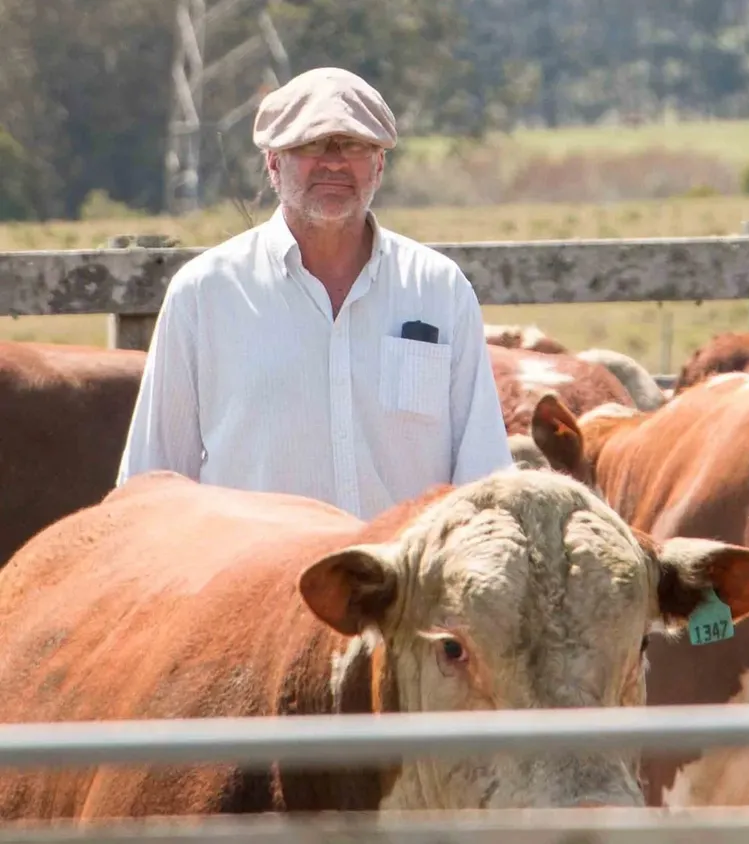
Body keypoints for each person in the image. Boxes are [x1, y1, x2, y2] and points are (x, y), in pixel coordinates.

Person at [116, 66, 514, 520]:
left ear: (379, 165)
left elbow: (482, 471)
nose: (334, 162)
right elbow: (154, 478)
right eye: (310, 145)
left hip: (403, 564)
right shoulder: (204, 294)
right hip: (261, 563)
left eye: (355, 145)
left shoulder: (440, 289)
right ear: (272, 162)